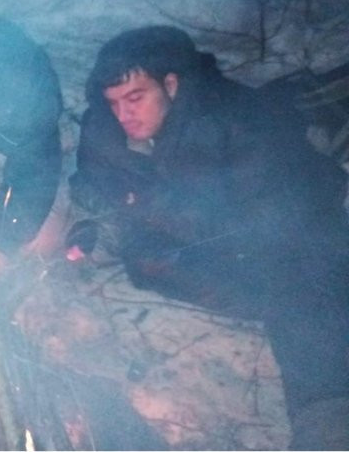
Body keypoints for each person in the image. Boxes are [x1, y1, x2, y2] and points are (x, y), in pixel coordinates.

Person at [68, 26, 349, 450]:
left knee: (302, 297)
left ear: (172, 83)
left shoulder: (238, 122)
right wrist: (99, 213)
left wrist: (151, 205)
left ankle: (327, 422)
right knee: (151, 261)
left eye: (135, 98)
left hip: (292, 229)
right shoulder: (107, 130)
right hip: (214, 245)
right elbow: (90, 179)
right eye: (113, 103)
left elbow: (272, 214)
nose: (124, 115)